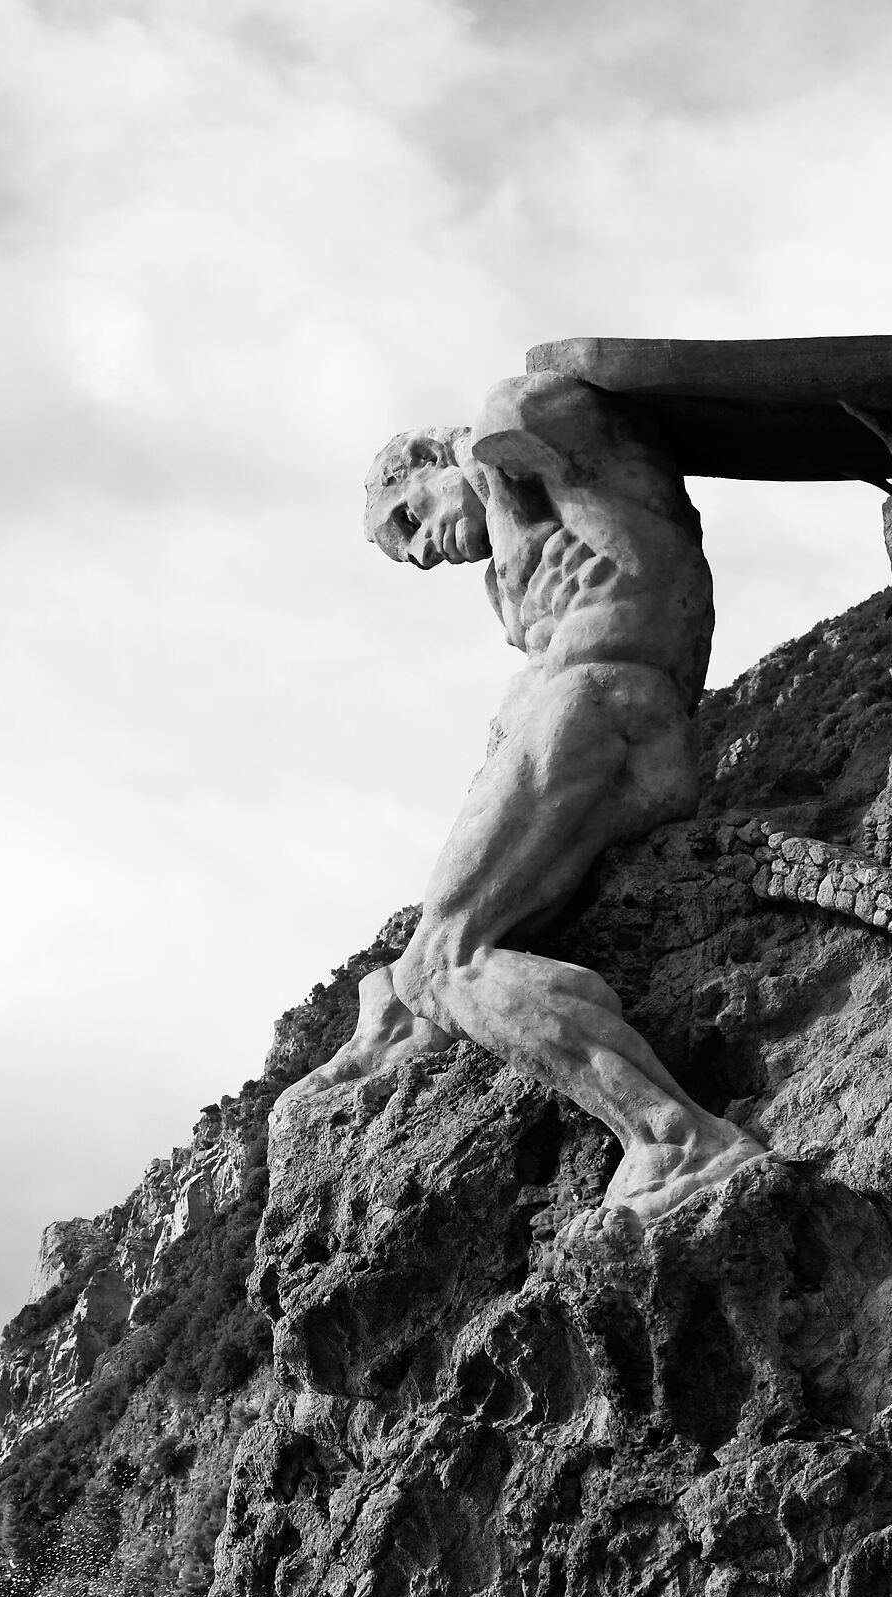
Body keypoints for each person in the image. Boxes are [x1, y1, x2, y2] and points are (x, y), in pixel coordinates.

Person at [277, 371, 763, 1223]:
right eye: (408, 551)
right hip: (589, 725)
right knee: (421, 964)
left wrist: (491, 451)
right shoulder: (513, 564)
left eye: (410, 518)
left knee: (447, 964)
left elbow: (540, 404)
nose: (424, 550)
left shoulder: (523, 451)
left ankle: (675, 1136)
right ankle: (395, 1014)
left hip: (608, 707)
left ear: (434, 455)